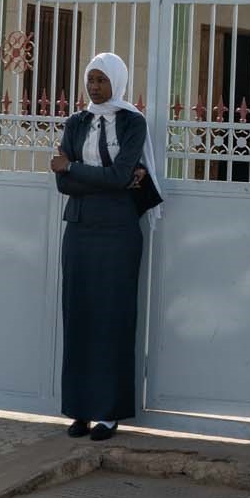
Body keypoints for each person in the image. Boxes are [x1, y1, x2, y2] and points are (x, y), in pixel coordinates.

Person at [52, 52, 159, 440]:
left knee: (112, 319)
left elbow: (114, 177)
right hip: (80, 230)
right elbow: (64, 185)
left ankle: (108, 413)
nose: (94, 87)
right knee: (79, 316)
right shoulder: (76, 122)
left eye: (101, 80)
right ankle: (79, 409)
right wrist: (98, 178)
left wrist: (73, 168)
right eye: (90, 80)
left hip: (117, 232)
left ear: (118, 81)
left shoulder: (132, 122)